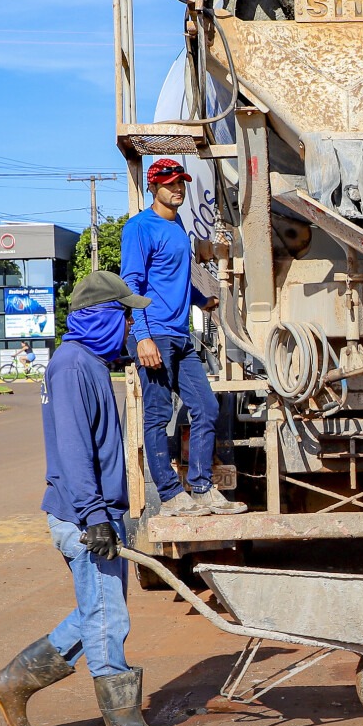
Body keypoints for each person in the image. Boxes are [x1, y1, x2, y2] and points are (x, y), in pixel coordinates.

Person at [0, 271, 186, 726]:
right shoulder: (73, 366)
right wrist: (94, 514)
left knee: (95, 612)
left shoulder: (87, 362)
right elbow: (74, 450)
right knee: (106, 619)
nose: (131, 325)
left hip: (93, 511)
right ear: (97, 316)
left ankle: (14, 682)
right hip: (82, 515)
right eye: (125, 315)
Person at [121, 157, 239, 516]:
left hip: (180, 335)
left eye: (180, 183)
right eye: (169, 183)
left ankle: (202, 488)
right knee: (157, 415)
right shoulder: (140, 227)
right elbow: (132, 284)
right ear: (153, 187)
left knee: (206, 407)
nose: (177, 188)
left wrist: (206, 301)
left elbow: (177, 282)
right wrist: (141, 337)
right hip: (153, 334)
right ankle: (172, 497)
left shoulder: (179, 227)